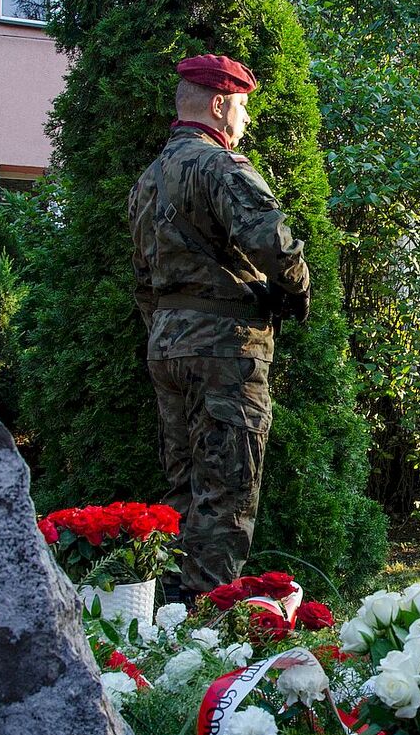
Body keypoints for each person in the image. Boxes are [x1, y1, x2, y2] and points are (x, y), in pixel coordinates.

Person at [128, 53, 310, 601]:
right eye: (243, 107)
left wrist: (169, 328)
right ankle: (211, 629)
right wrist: (297, 292)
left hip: (167, 346)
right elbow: (272, 243)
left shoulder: (147, 181)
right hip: (226, 346)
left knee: (181, 490)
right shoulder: (220, 168)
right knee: (227, 493)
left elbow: (142, 278)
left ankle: (168, 622)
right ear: (218, 104)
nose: (245, 120)